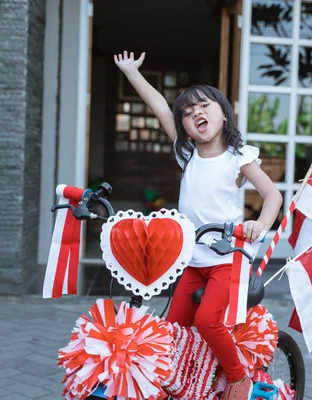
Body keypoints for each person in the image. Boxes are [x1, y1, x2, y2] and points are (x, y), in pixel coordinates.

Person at [114, 51, 282, 400]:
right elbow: (160, 107)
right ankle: (189, 383)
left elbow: (273, 196)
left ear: (223, 113)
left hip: (229, 257)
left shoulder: (239, 158)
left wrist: (258, 225)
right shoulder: (187, 154)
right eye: (188, 114)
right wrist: (132, 73)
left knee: (208, 321)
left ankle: (239, 378)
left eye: (204, 106)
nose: (196, 115)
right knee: (172, 330)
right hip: (193, 258)